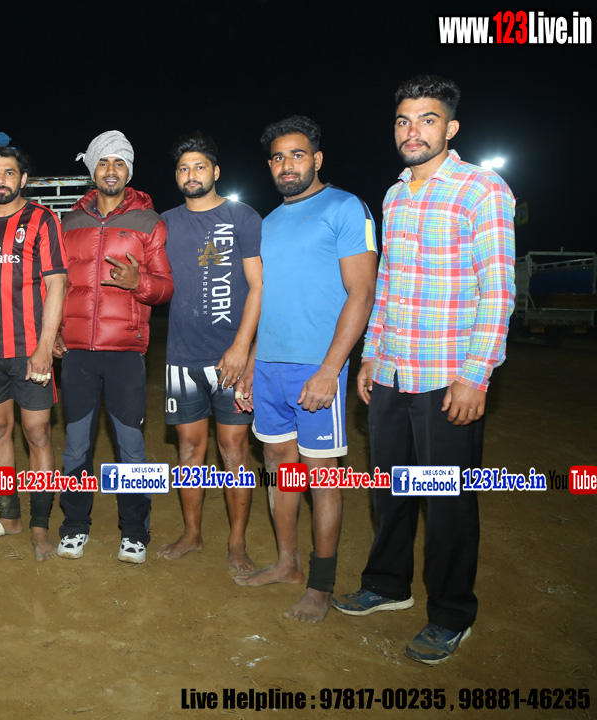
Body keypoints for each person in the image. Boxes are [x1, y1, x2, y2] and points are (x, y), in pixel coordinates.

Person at [331, 75, 515, 665]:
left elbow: (498, 290)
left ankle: (451, 613)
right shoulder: (395, 195)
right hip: (393, 373)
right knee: (390, 490)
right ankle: (388, 585)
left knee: (448, 504)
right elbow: (388, 284)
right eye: (404, 121)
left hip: (446, 377)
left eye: (427, 120)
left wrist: (475, 375)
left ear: (451, 128)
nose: (413, 131)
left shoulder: (482, 189)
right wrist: (371, 354)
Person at [233, 116, 377, 625]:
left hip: (317, 369)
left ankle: (321, 584)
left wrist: (331, 368)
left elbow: (362, 292)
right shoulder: (268, 223)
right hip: (269, 368)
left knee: (322, 478)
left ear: (316, 159)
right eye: (278, 157)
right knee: (279, 467)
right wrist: (251, 365)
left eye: (297, 155)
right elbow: (266, 299)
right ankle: (287, 563)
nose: (286, 165)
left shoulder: (345, 207)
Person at [54, 130, 173, 564]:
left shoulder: (149, 221)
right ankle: (74, 526)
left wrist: (138, 282)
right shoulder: (70, 222)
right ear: (93, 170)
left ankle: (135, 532)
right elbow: (55, 286)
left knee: (131, 447)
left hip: (125, 352)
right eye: (103, 162)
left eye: (119, 162)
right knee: (75, 445)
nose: (111, 170)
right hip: (77, 353)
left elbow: (165, 287)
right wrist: (53, 331)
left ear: (129, 171)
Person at [156, 132, 263, 573]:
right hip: (182, 359)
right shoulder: (165, 223)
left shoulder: (242, 217)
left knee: (233, 451)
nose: (191, 174)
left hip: (229, 360)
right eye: (183, 168)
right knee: (188, 450)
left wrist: (242, 349)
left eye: (199, 166)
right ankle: (193, 533)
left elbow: (258, 286)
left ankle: (237, 541)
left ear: (215, 171)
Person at [0, 135, 67, 562]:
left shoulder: (43, 219)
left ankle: (40, 525)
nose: (1, 179)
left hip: (29, 351)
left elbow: (57, 284)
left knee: (38, 433)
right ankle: (8, 518)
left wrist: (44, 346)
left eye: (9, 172)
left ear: (23, 179)